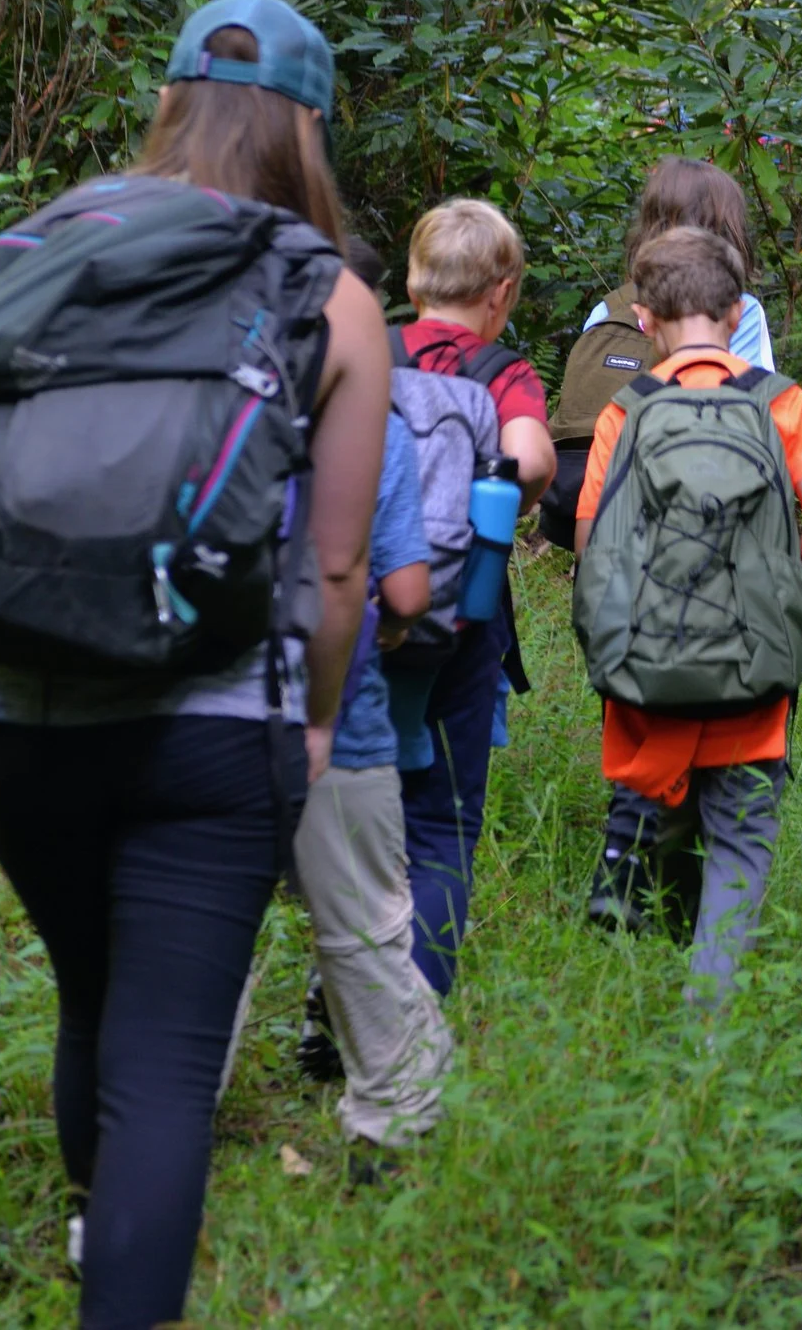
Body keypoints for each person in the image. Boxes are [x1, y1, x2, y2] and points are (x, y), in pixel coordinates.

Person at [0, 0, 390, 1328]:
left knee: (91, 999)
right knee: (165, 1065)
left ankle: (94, 1240)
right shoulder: (328, 292)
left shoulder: (34, 250)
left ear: (169, 101)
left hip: (23, 709)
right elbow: (338, 569)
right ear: (307, 126)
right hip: (219, 723)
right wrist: (314, 724)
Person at [574, 229, 802, 989]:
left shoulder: (625, 410)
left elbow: (593, 545)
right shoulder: (782, 402)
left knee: (663, 810)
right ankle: (710, 1023)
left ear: (644, 318)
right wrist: (778, 591)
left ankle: (640, 978)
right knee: (741, 839)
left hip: (650, 667)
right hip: (752, 668)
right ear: (736, 312)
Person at [293, 236, 452, 1165]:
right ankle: (396, 1120)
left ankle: (173, 1116)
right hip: (337, 715)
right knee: (365, 924)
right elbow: (400, 588)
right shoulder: (368, 415)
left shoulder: (205, 383)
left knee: (195, 933)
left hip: (199, 709)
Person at [396, 198, 556, 995]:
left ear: (412, 282)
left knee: (355, 810)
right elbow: (532, 463)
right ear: (503, 292)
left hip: (358, 609)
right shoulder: (502, 372)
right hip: (460, 612)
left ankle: (342, 988)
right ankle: (413, 1007)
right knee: (441, 824)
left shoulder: (371, 351)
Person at [545, 157, 774, 546]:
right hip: (696, 517)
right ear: (728, 233)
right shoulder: (741, 311)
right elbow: (759, 418)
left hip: (601, 510)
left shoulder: (609, 308)